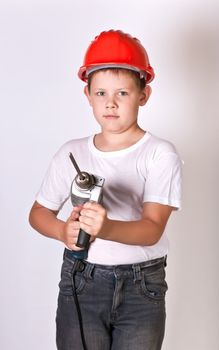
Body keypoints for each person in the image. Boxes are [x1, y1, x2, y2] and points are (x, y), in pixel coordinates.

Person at [29, 29, 182, 350]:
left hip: (142, 287)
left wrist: (105, 227)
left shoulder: (159, 153)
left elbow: (152, 229)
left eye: (122, 93)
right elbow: (38, 213)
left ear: (144, 94)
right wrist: (62, 231)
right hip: (82, 280)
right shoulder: (72, 153)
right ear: (88, 95)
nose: (110, 103)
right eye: (101, 93)